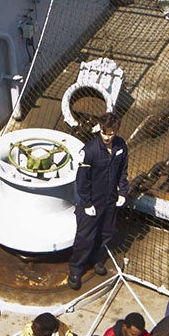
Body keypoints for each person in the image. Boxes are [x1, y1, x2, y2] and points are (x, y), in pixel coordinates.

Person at [68, 109, 129, 291]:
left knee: (107, 232)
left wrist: (122, 192)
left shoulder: (121, 147)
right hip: (92, 201)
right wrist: (87, 203)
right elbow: (82, 180)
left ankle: (97, 258)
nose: (107, 137)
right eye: (104, 133)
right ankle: (76, 269)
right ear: (100, 129)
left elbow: (123, 172)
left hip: (109, 199)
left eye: (111, 134)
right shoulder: (89, 151)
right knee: (85, 237)